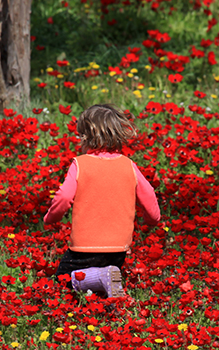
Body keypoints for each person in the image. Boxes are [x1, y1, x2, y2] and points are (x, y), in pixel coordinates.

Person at [44, 104, 161, 298]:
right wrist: (152, 220)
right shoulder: (129, 165)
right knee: (102, 289)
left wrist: (51, 217)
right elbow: (149, 194)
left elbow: (63, 197)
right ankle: (102, 282)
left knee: (63, 279)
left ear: (85, 137)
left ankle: (100, 277)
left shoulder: (80, 164)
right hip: (119, 248)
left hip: (85, 247)